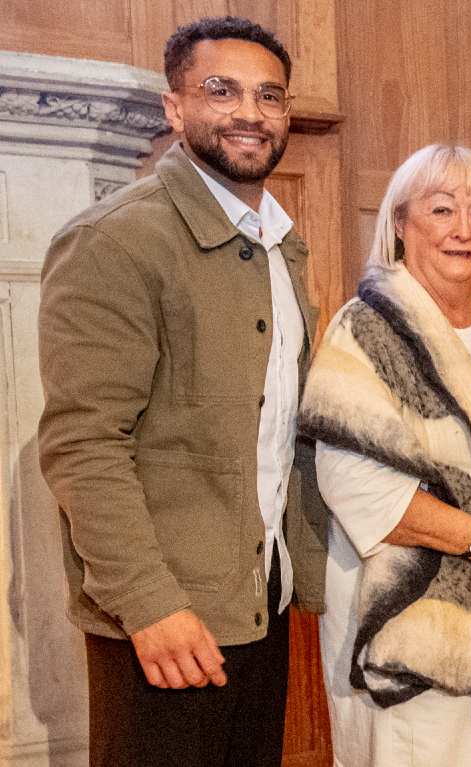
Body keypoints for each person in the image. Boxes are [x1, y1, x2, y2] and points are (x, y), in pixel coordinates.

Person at [36, 16, 324, 766]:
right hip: (164, 618)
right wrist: (150, 605)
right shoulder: (116, 240)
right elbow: (83, 446)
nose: (250, 113)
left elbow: (282, 431)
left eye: (270, 95)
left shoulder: (280, 247)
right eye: (220, 90)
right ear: (174, 108)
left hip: (260, 601)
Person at [296, 144, 471, 766]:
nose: (463, 230)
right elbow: (353, 483)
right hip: (413, 628)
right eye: (441, 210)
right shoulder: (364, 330)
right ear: (399, 223)